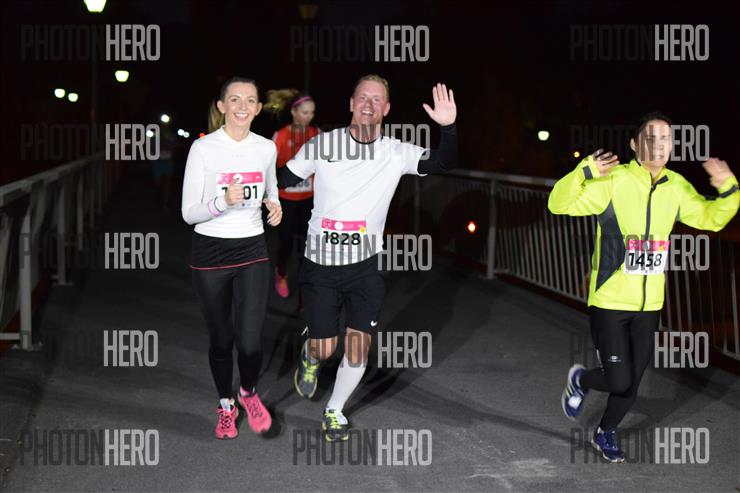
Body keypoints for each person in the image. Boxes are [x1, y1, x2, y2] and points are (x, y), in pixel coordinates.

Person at [549, 112, 739, 462]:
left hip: (649, 305)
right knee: (619, 380)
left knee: (632, 381)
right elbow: (558, 204)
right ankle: (582, 380)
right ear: (635, 145)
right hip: (609, 300)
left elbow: (711, 218)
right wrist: (584, 172)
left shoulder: (677, 186)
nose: (660, 145)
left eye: (666, 139)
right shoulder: (613, 180)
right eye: (652, 138)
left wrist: (729, 188)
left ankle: (605, 432)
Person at [278, 75, 459, 442]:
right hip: (320, 263)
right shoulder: (321, 144)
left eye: (377, 100)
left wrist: (449, 128)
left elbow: (443, 162)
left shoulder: (396, 152)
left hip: (366, 266)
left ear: (386, 109)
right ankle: (311, 356)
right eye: (363, 97)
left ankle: (335, 410)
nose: (369, 104)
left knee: (359, 345)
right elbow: (282, 178)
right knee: (325, 346)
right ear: (351, 103)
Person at [181, 76, 283, 439]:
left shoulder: (266, 148)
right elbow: (188, 213)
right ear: (222, 106)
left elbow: (270, 188)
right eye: (235, 99)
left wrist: (274, 205)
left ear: (258, 108)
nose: (242, 106)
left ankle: (248, 393)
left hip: (252, 249)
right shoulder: (203, 148)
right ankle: (226, 404)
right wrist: (222, 201)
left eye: (250, 100)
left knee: (251, 342)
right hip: (210, 253)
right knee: (222, 340)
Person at [264, 89, 319, 300]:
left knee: (308, 246)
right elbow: (268, 167)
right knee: (285, 243)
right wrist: (269, 196)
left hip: (309, 200)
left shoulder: (316, 134)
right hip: (286, 200)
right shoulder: (281, 135)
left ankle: (306, 290)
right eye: (305, 112)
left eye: (312, 113)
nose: (308, 117)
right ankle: (281, 272)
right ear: (294, 112)